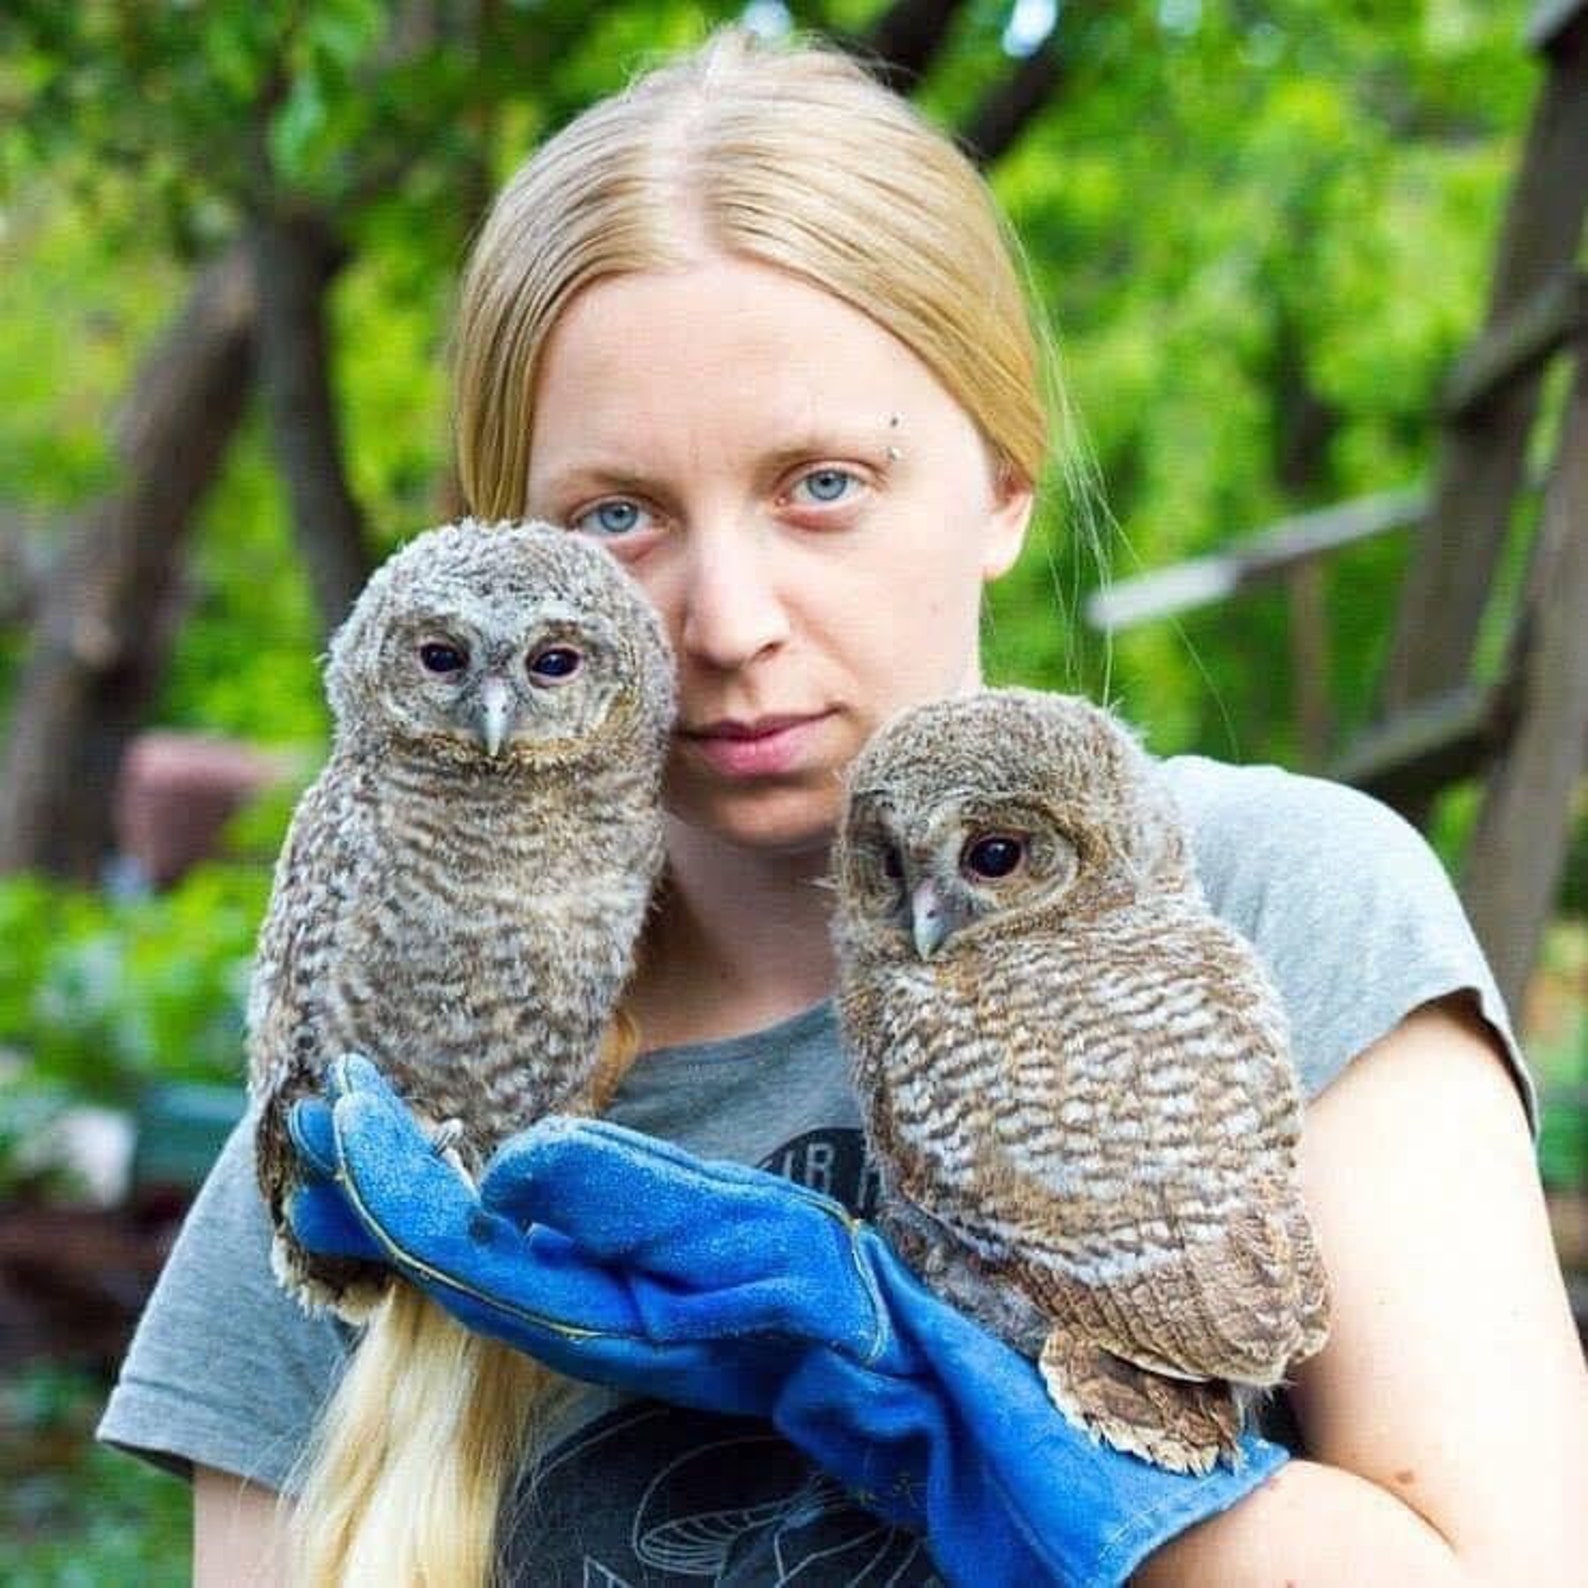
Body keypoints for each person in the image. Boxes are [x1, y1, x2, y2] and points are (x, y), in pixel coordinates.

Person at [99, 27, 1586, 1585]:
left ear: (1003, 483)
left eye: (822, 486)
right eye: (619, 516)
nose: (728, 621)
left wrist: (968, 1428)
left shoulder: (1266, 902)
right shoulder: (386, 1067)